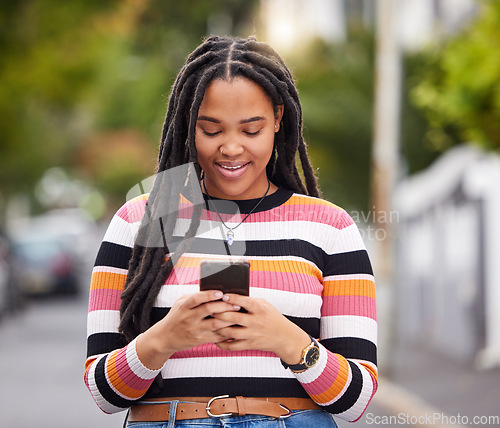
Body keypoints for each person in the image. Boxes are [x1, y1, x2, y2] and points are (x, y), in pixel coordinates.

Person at [84, 35, 377, 428]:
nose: (232, 148)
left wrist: (286, 339)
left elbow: (356, 402)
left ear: (277, 119)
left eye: (251, 130)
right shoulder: (140, 221)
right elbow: (104, 393)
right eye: (211, 130)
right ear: (188, 124)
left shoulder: (330, 227)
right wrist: (166, 337)